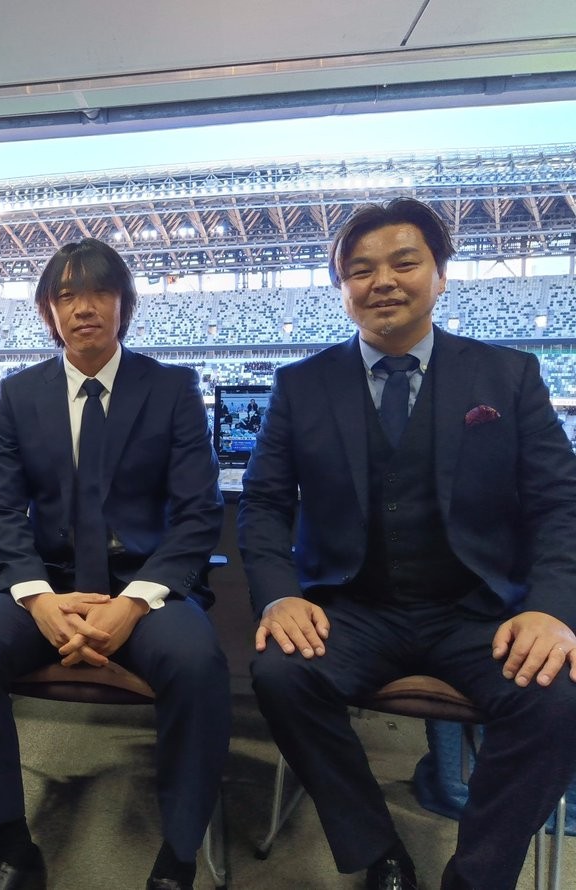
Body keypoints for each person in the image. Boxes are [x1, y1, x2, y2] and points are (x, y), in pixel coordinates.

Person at [238, 197, 576, 890]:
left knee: (556, 694)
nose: (383, 281)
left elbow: (559, 504)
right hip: (356, 609)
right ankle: (378, 851)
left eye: (404, 262)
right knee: (281, 674)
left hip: (479, 610)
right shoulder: (300, 385)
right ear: (342, 287)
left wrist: (550, 608)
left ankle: (477, 876)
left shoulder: (508, 375)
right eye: (360, 270)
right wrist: (279, 596)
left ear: (441, 275)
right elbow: (265, 504)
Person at [0, 238, 229, 890]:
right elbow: (3, 510)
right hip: (49, 582)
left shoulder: (172, 388)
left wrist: (132, 605)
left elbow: (198, 514)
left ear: (124, 303)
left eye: (100, 291)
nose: (84, 308)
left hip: (144, 585)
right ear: (48, 310)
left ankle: (180, 852)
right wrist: (39, 599)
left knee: (197, 662)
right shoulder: (19, 394)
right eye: (66, 295)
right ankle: (11, 845)